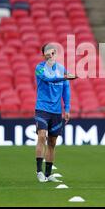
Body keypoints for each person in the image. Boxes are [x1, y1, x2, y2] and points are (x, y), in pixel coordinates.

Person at [34, 43, 76, 183]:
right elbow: (47, 78)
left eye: (53, 52)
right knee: (42, 136)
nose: (51, 55)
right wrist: (64, 77)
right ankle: (39, 171)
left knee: (52, 142)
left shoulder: (61, 69)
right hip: (42, 108)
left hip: (56, 111)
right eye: (48, 53)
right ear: (44, 55)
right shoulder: (39, 68)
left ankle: (48, 173)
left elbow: (66, 90)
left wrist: (67, 108)